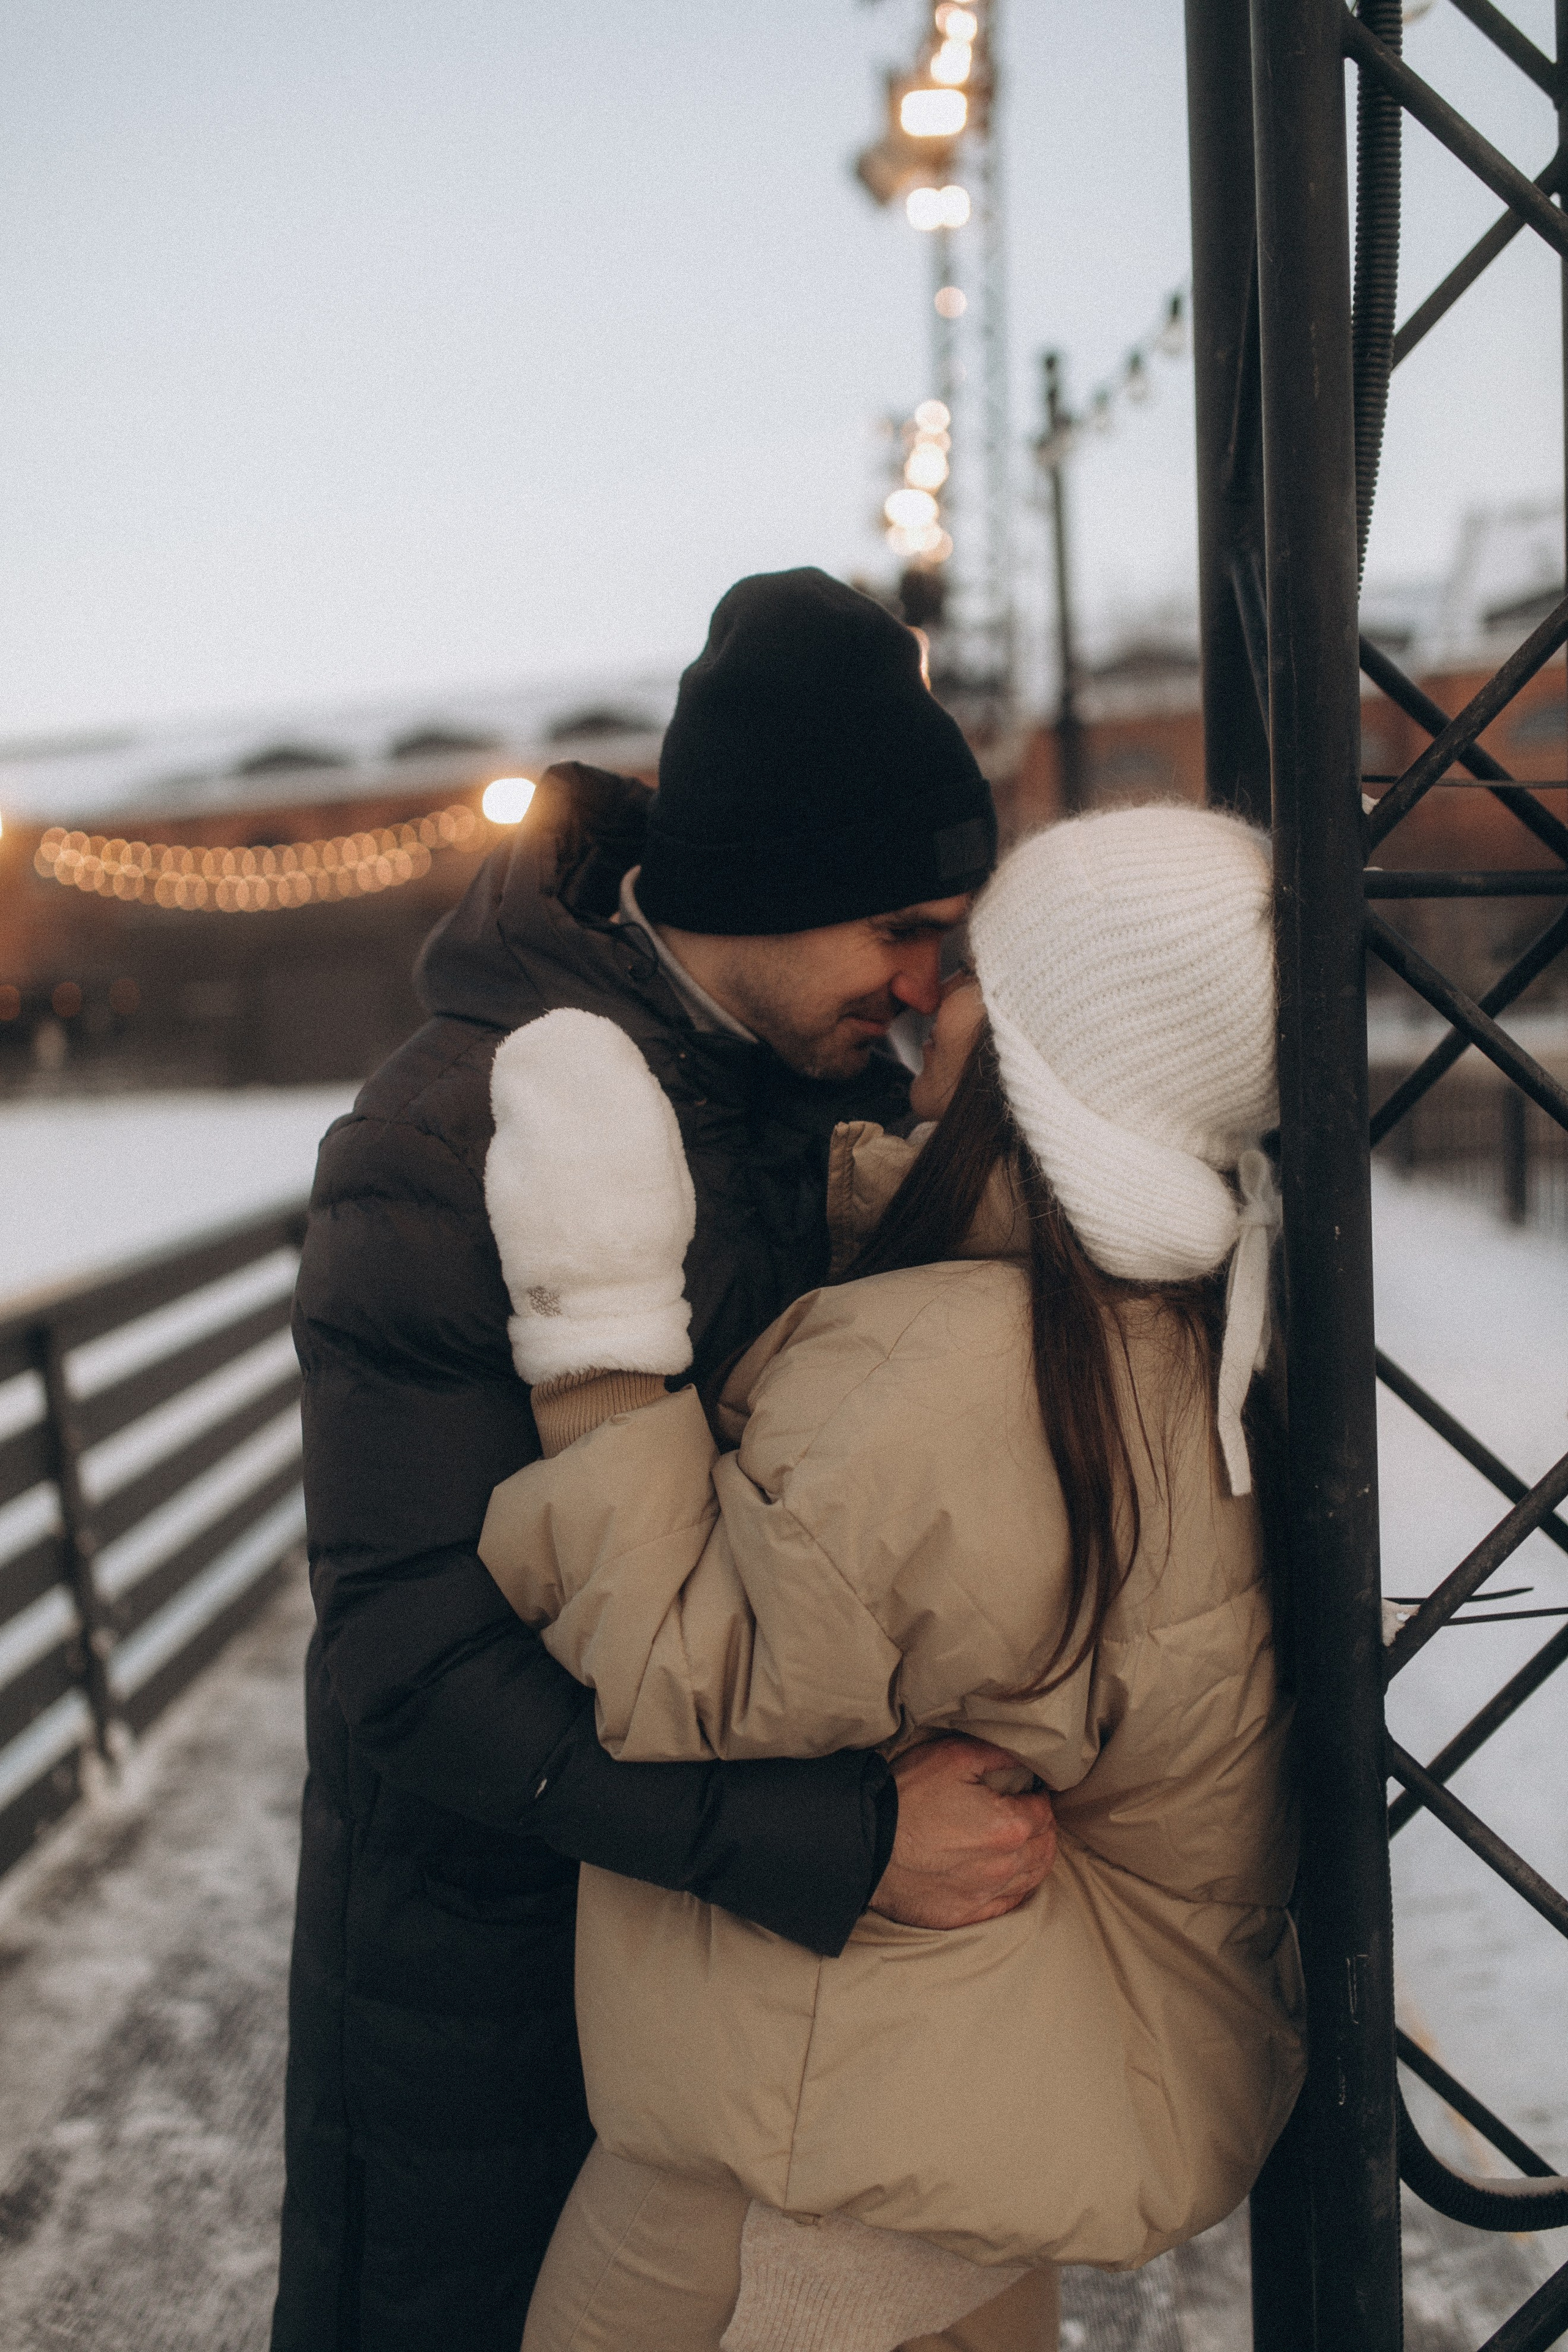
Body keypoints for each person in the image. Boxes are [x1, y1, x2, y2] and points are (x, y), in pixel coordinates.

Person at [271, 568, 1058, 2352]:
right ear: (761, 887)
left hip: (754, 1999)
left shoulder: (845, 1102)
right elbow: (408, 1662)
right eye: (901, 926)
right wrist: (843, 1842)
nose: (926, 981)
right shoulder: (436, 1139)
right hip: (498, 1973)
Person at [477, 803, 1306, 2352]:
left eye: (974, 974)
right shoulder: (1148, 1343)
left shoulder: (955, 1369)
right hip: (980, 2097)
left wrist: (595, 1327)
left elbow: (676, 1669)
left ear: (1034, 1061)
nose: (930, 996)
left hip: (816, 2157)